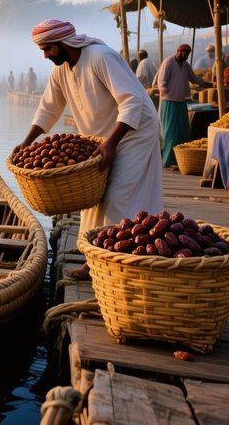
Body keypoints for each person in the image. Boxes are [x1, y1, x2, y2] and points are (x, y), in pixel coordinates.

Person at [16, 19, 163, 280]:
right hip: (101, 138)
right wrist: (27, 142)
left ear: (63, 43)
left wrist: (112, 143)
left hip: (134, 132)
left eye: (48, 49)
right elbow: (48, 109)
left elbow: (132, 101)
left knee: (117, 197)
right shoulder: (60, 72)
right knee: (92, 200)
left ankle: (117, 261)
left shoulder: (101, 57)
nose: (45, 55)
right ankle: (92, 260)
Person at [157, 44, 213, 167]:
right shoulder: (168, 62)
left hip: (182, 102)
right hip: (170, 102)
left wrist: (209, 84)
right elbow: (161, 81)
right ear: (178, 51)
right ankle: (167, 160)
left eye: (188, 53)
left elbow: (194, 78)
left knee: (182, 132)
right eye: (185, 53)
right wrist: (164, 89)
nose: (186, 55)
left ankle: (179, 160)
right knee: (171, 132)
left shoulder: (185, 65)